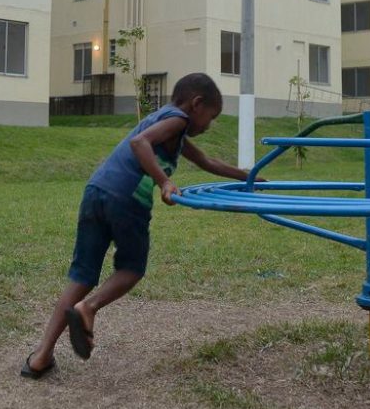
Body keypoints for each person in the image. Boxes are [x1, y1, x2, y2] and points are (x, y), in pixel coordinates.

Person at [21, 73, 254, 379]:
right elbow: (139, 143)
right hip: (126, 200)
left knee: (82, 275)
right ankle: (88, 308)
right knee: (131, 269)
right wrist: (164, 181)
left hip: (97, 192)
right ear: (196, 104)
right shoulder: (178, 120)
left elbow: (208, 163)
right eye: (211, 117)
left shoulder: (168, 125)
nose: (209, 126)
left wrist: (249, 178)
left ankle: (40, 357)